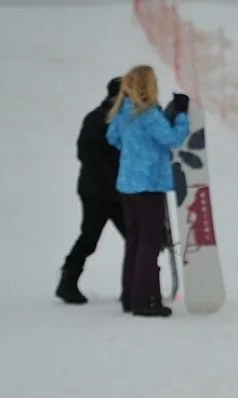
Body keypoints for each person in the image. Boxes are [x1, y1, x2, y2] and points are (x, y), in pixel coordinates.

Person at [106, 65, 189, 317]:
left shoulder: (122, 112)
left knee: (134, 242)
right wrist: (182, 113)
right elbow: (173, 138)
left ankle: (130, 298)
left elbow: (113, 138)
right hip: (149, 185)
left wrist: (134, 151)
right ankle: (145, 302)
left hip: (127, 186)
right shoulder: (149, 113)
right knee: (149, 244)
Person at [55, 77, 125, 305]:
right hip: (98, 191)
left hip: (111, 190)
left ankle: (134, 287)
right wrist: (114, 177)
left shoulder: (120, 119)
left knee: (134, 237)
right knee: (91, 236)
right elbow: (86, 154)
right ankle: (68, 282)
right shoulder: (97, 119)